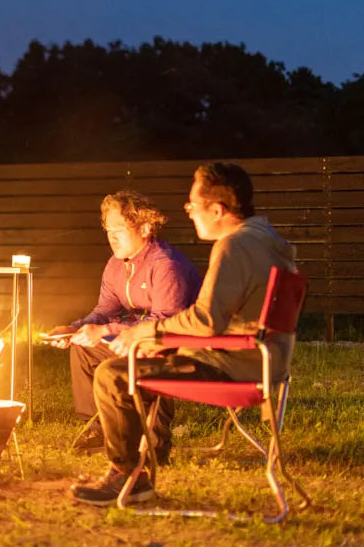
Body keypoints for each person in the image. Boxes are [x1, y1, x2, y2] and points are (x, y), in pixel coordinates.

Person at [71, 163, 298, 506]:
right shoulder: (268, 240)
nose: (189, 212)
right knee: (139, 358)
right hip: (262, 361)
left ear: (218, 210)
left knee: (112, 375)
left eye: (193, 205)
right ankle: (142, 447)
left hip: (233, 364)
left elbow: (206, 320)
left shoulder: (234, 247)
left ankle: (128, 476)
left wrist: (145, 333)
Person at [45, 190, 200, 457]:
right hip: (136, 335)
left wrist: (107, 331)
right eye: (108, 229)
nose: (112, 237)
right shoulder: (116, 264)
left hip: (176, 344)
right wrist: (74, 329)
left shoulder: (165, 265)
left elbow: (166, 322)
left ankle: (155, 437)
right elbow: (105, 310)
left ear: (145, 228)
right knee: (83, 349)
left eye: (119, 229)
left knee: (147, 349)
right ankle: (98, 428)